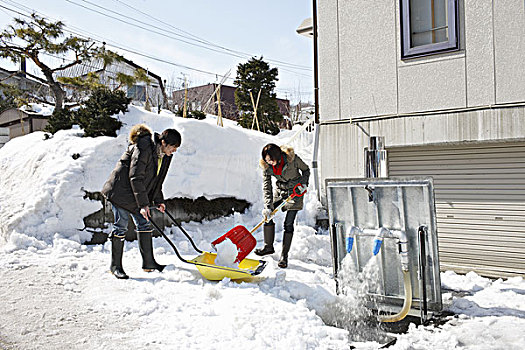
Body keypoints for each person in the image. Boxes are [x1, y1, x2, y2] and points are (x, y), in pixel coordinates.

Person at [101, 124, 181, 279]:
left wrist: (158, 200)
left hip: (135, 193)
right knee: (121, 226)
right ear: (163, 143)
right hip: (121, 192)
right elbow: (136, 177)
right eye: (173, 147)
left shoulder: (164, 156)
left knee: (144, 224)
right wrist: (144, 205)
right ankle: (115, 266)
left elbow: (156, 180)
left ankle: (149, 263)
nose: (174, 151)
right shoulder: (143, 147)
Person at [255, 143, 310, 268]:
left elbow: (306, 170)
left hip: (296, 191)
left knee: (288, 223)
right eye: (266, 160)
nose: (269, 162)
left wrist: (303, 184)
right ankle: (268, 247)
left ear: (277, 156)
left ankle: (284, 255)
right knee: (267, 215)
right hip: (280, 191)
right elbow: (267, 187)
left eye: (270, 159)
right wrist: (268, 207)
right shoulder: (267, 167)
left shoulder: (292, 159)